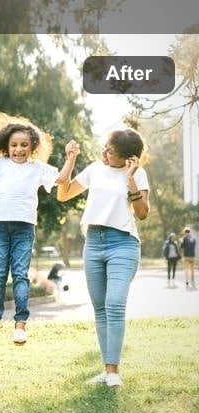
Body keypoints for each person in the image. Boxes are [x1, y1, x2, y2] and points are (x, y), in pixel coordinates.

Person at [0, 113, 79, 345]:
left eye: (24, 145)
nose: (18, 149)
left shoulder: (37, 167)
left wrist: (71, 157)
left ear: (32, 147)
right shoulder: (0, 163)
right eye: (14, 145)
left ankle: (20, 324)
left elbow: (62, 179)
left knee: (20, 274)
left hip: (24, 227)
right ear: (6, 146)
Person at [57, 128, 150, 388]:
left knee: (114, 304)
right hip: (93, 243)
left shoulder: (138, 174)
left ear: (128, 158)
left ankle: (113, 372)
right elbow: (63, 194)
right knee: (100, 309)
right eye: (105, 147)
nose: (104, 153)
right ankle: (107, 370)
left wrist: (130, 179)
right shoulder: (95, 169)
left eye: (110, 151)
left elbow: (143, 213)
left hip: (123, 243)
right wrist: (71, 159)